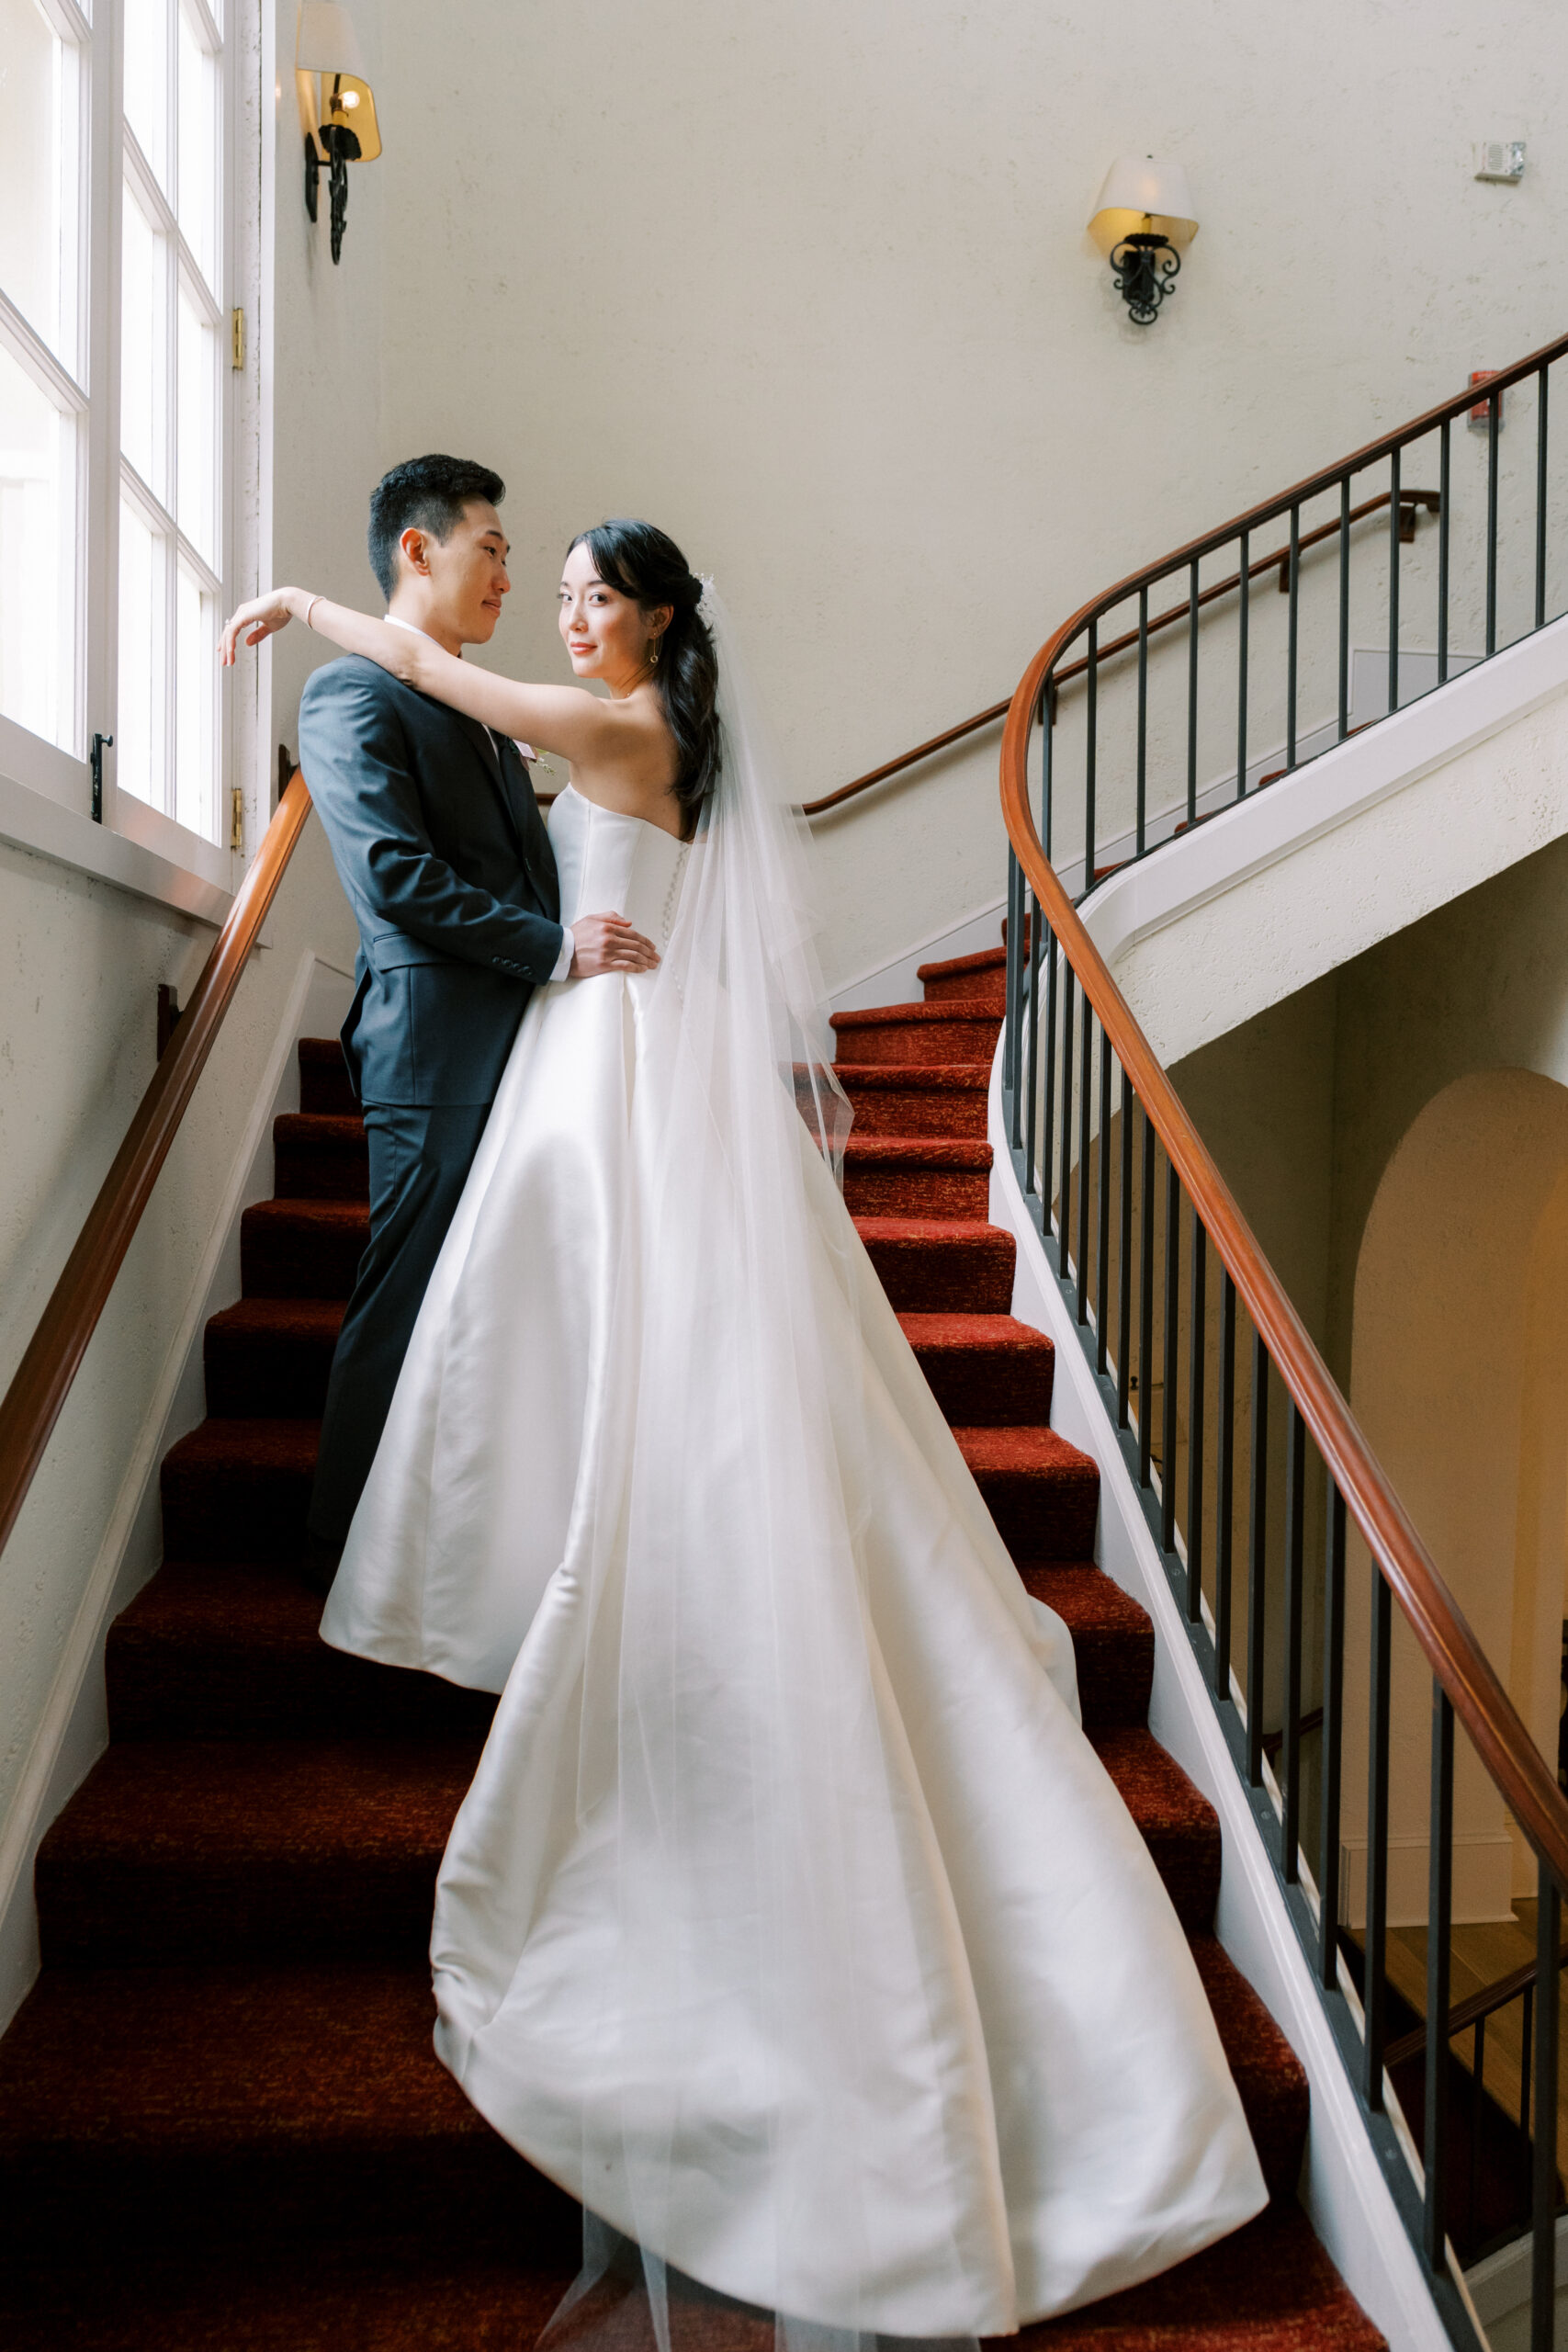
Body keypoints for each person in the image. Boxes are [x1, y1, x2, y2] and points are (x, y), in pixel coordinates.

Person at [220, 524, 1268, 2345]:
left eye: (594, 595)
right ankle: (542, 1553)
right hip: (607, 1040)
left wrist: (316, 607)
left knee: (611, 1338)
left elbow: (453, 684)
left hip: (617, 1064)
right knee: (567, 1325)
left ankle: (568, 1570)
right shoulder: (641, 735)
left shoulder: (619, 730)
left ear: (659, 618)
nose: (567, 613)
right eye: (555, 589)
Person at [286, 458, 658, 1587]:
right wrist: (553, 948)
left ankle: (459, 1551)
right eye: (492, 550)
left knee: (485, 1314)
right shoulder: (352, 694)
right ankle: (337, 1552)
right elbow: (393, 876)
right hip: (436, 1049)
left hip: (533, 1049)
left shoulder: (479, 711)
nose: (509, 575)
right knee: (406, 1301)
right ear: (418, 548)